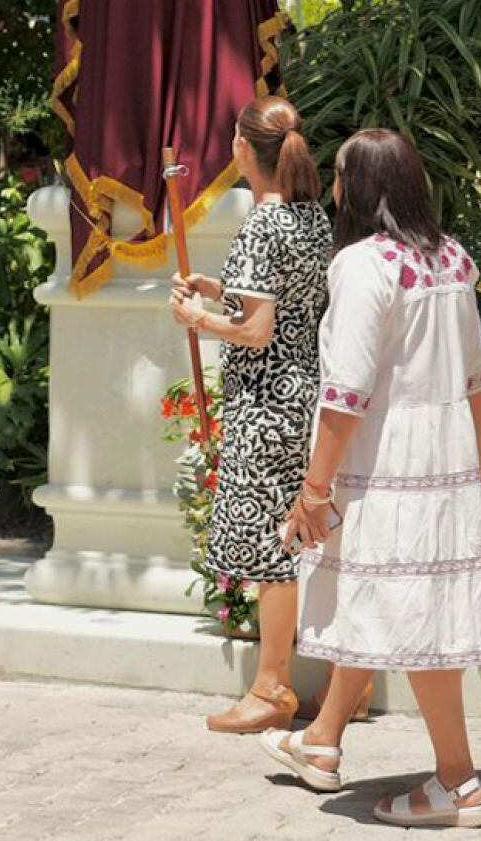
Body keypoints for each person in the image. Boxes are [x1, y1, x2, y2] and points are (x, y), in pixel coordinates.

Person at [262, 129, 481, 829]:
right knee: (391, 598)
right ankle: (322, 740)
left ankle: (458, 783)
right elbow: (480, 371)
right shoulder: (451, 256)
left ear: (358, 187)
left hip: (386, 460)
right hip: (442, 457)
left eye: (339, 176)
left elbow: (346, 392)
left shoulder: (363, 264)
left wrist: (315, 489)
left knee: (412, 610)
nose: (334, 188)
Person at [168, 97, 336, 733]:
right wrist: (221, 291)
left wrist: (199, 317)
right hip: (307, 393)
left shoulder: (262, 224)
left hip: (266, 402)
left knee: (274, 548)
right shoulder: (311, 217)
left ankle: (272, 686)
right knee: (305, 540)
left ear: (243, 148)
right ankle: (332, 684)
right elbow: (284, 302)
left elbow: (257, 330)